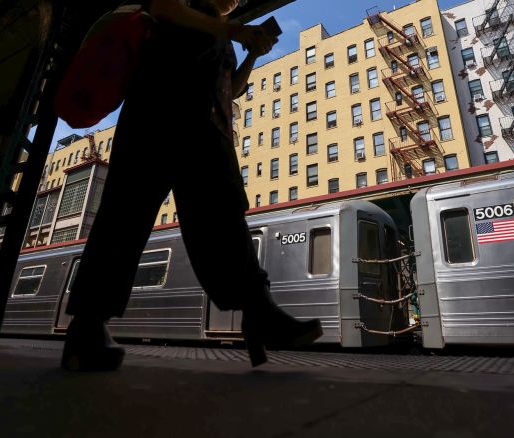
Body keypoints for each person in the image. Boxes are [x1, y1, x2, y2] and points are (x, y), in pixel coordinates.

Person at [61, 0, 322, 371]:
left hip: (207, 128)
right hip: (157, 114)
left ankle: (259, 311)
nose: (234, 0)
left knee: (223, 218)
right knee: (125, 218)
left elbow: (230, 91)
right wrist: (233, 31)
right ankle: (87, 328)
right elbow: (164, 6)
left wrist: (250, 54)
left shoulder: (224, 37)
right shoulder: (188, 9)